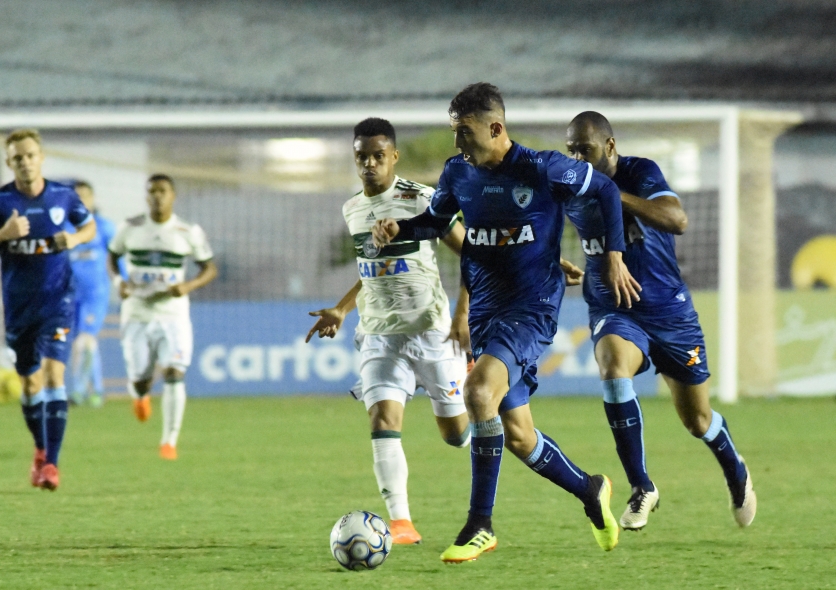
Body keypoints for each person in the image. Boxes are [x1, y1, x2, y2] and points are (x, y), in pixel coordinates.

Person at [372, 83, 639, 563]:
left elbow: (603, 188)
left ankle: (480, 524)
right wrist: (401, 229)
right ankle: (590, 489)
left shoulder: (541, 168)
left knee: (477, 394)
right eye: (454, 133)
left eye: (464, 132)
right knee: (517, 435)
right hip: (488, 310)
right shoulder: (458, 172)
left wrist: (614, 255)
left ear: (495, 128)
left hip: (532, 307)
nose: (457, 143)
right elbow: (436, 222)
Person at [564, 111, 756, 530]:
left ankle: (735, 469)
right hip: (614, 308)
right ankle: (641, 487)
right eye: (572, 150)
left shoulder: (640, 172)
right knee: (614, 370)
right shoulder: (566, 185)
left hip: (669, 312)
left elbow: (677, 220)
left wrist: (611, 194)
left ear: (610, 147)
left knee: (697, 421)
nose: (578, 158)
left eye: (587, 149)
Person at [306, 117, 471, 545]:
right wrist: (343, 309)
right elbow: (370, 268)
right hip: (380, 334)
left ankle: (477, 413)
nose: (370, 164)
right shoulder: (352, 209)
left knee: (455, 436)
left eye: (379, 156)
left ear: (393, 157)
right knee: (382, 417)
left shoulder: (424, 200)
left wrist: (463, 315)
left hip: (434, 331)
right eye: (362, 156)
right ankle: (401, 522)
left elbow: (473, 254)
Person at [0, 128, 97, 491]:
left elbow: (89, 226)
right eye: (17, 157)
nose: (25, 162)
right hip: (20, 308)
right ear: (9, 163)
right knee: (30, 382)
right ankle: (40, 447)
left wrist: (75, 238)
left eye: (30, 155)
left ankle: (51, 464)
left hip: (58, 301)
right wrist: (0, 236)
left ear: (41, 157)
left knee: (54, 376)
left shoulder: (62, 197)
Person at [107, 174, 217, 460]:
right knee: (141, 378)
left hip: (173, 315)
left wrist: (188, 286)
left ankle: (169, 441)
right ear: (146, 196)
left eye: (162, 191)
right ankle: (141, 395)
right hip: (137, 314)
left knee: (174, 372)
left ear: (173, 195)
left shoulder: (187, 231)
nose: (157, 196)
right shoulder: (130, 228)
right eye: (152, 191)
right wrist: (118, 282)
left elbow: (209, 268)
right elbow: (111, 257)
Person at [68, 181, 119, 407]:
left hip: (95, 294)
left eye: (85, 196)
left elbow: (118, 257)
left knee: (85, 341)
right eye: (77, 196)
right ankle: (97, 390)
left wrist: (123, 281)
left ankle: (78, 392)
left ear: (93, 198)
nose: (82, 201)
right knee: (85, 343)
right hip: (71, 295)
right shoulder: (66, 229)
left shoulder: (104, 227)